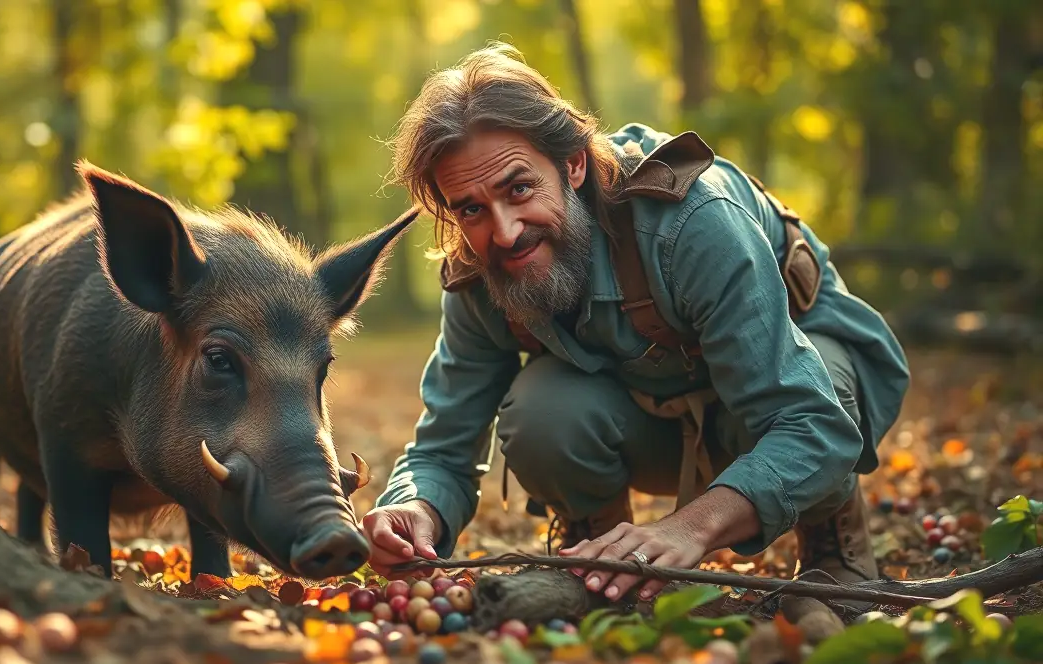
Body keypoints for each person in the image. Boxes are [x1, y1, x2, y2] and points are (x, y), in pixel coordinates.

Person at [360, 42, 910, 608]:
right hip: (650, 418)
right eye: (470, 208)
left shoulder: (692, 222)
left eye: (519, 189)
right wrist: (415, 507)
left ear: (573, 163)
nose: (503, 232)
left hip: (791, 401)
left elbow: (811, 422)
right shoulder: (482, 274)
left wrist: (688, 528)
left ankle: (831, 545)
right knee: (541, 411)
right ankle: (601, 554)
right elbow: (444, 445)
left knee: (826, 389)